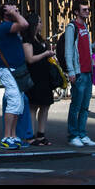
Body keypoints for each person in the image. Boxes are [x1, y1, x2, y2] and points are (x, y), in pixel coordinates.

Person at [63, 0, 95, 148]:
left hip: (87, 71)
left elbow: (85, 48)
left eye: (88, 9)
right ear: (76, 12)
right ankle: (73, 134)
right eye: (84, 10)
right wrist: (71, 71)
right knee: (76, 105)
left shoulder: (85, 26)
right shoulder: (72, 27)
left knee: (85, 106)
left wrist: (93, 48)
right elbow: (69, 50)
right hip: (78, 72)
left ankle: (82, 133)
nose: (87, 12)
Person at [0, 3, 29, 150]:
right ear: (5, 13)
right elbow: (24, 23)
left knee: (19, 104)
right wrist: (14, 12)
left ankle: (14, 136)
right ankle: (6, 136)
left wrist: (14, 12)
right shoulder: (4, 26)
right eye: (10, 8)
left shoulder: (11, 27)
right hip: (8, 70)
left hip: (16, 70)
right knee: (14, 102)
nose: (15, 9)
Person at [22, 13, 57, 146]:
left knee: (45, 105)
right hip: (34, 76)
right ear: (33, 24)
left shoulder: (39, 39)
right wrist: (45, 54)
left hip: (44, 75)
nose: (41, 24)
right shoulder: (27, 40)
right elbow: (30, 59)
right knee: (34, 106)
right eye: (39, 22)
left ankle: (41, 134)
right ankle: (30, 134)